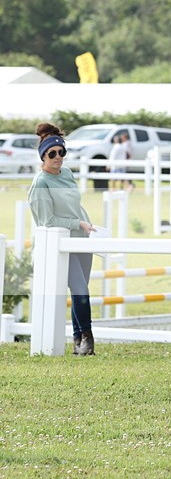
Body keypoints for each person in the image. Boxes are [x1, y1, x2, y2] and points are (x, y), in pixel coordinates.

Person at [27, 122, 97, 355]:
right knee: (80, 290)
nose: (58, 157)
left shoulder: (66, 174)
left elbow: (75, 205)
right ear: (43, 156)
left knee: (82, 290)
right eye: (52, 154)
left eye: (61, 152)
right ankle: (87, 340)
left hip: (82, 238)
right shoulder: (41, 184)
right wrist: (78, 223)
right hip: (59, 245)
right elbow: (48, 220)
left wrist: (87, 225)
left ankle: (78, 341)